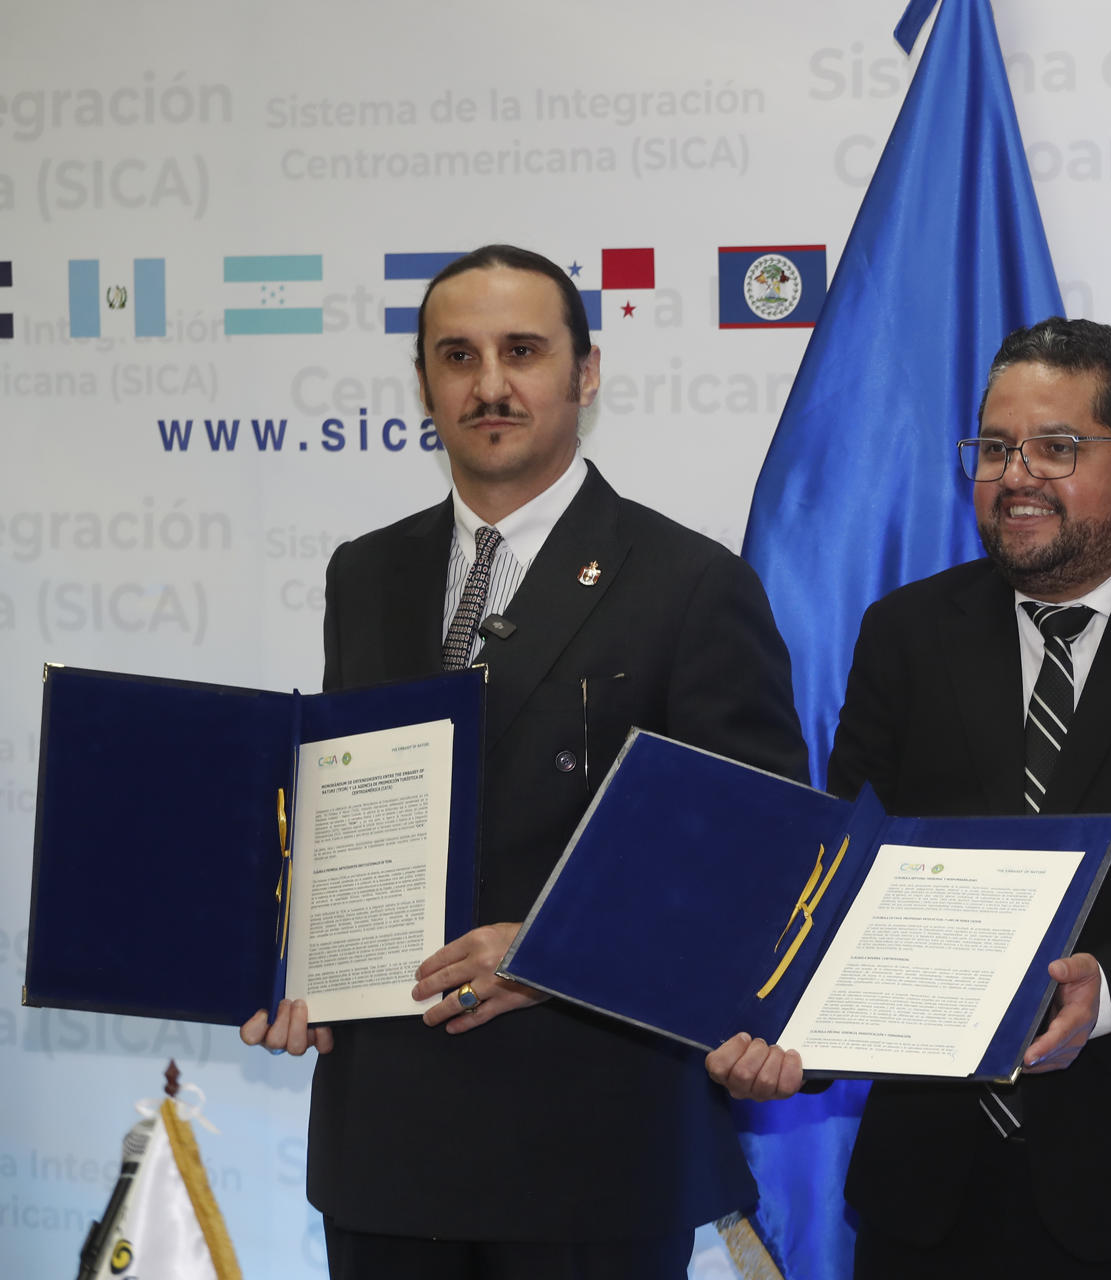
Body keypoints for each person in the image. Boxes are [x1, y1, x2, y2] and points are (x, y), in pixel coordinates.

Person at [707, 317, 1111, 1279]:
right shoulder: (908, 632)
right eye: (995, 448)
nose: (1016, 476)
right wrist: (788, 1034)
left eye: (1057, 447)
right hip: (929, 1199)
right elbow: (849, 878)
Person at [240, 244, 807, 1278]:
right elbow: (342, 813)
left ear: (585, 375)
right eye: (457, 354)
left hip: (593, 1145)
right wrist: (285, 961)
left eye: (523, 350)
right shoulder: (365, 572)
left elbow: (756, 858)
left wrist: (551, 949)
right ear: (423, 382)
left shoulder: (689, 581)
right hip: (386, 1150)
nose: (490, 383)